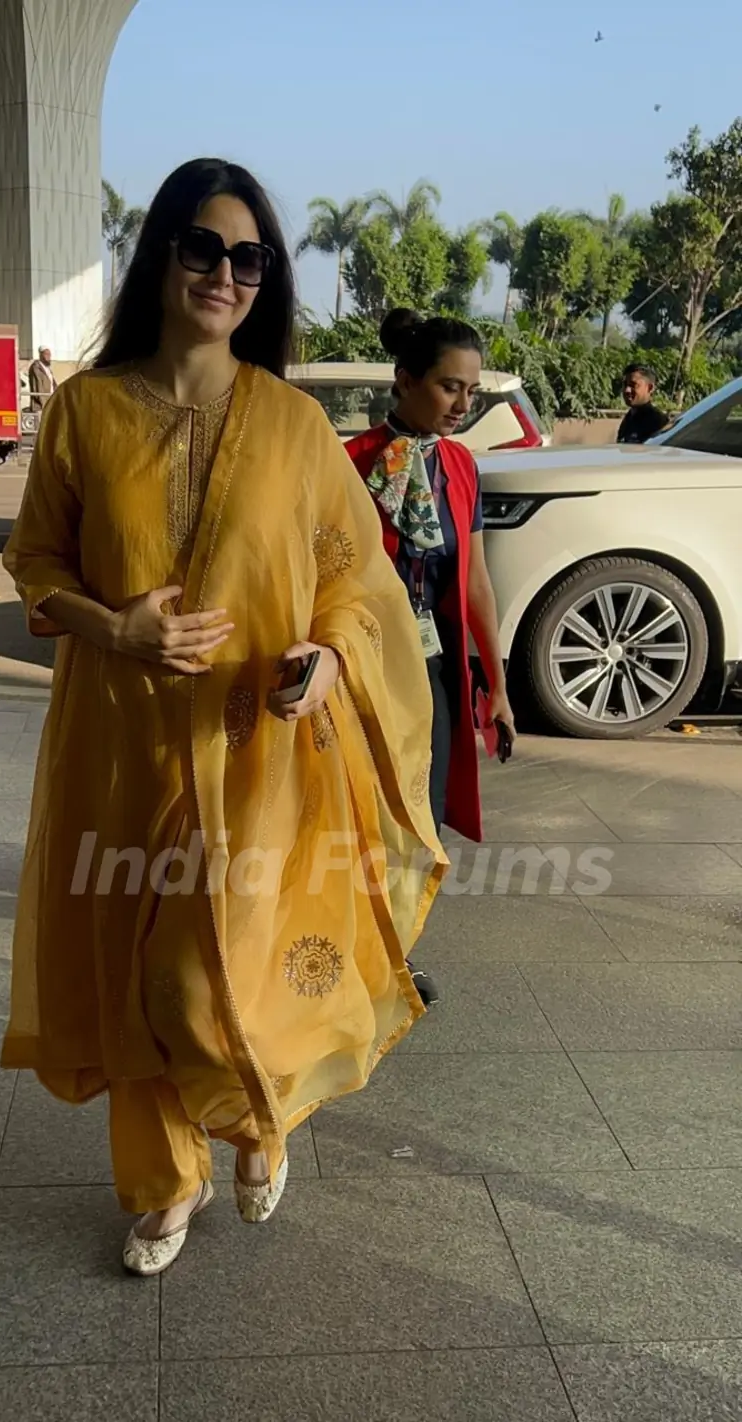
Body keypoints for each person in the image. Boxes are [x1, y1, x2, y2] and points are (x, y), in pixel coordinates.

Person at [1, 160, 446, 1276]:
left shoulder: (294, 426)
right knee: (136, 975)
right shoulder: (85, 412)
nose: (225, 274)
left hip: (259, 755)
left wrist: (329, 662)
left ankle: (256, 1116)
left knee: (211, 974)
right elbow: (36, 564)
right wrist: (114, 628)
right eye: (203, 247)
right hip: (121, 744)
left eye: (249, 258)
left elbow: (352, 584)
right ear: (161, 254)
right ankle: (165, 1180)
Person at [346, 310, 516, 1007]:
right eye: (450, 387)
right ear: (405, 379)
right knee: (357, 818)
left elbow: (475, 582)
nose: (463, 404)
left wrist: (496, 684)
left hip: (433, 671)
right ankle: (338, 951)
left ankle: (392, 954)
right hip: (359, 671)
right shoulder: (349, 463)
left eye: (471, 391)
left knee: (423, 820)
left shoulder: (460, 467)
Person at [617, 363, 669, 444]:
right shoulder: (629, 418)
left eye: (633, 385)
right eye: (625, 384)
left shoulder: (658, 422)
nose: (627, 390)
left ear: (650, 388)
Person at [28, 346, 57, 412]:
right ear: (40, 355)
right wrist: (44, 405)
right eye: (46, 354)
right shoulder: (36, 367)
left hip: (50, 402)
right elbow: (38, 387)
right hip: (41, 406)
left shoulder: (47, 369)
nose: (49, 357)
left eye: (49, 354)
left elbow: (53, 384)